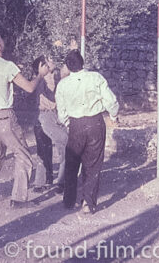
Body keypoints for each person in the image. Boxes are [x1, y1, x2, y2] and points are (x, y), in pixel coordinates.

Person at [0, 33, 50, 208]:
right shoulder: (8, 66)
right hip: (4, 116)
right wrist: (40, 75)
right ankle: (18, 199)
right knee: (23, 155)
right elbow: (30, 88)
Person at [55, 50, 119, 215]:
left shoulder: (62, 84)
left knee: (72, 163)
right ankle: (88, 203)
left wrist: (69, 123)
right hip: (95, 123)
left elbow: (61, 112)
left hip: (76, 125)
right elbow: (111, 100)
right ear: (82, 62)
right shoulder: (95, 78)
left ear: (68, 67)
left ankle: (69, 201)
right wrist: (113, 115)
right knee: (93, 164)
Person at [31, 56, 68, 193]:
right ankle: (57, 181)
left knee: (47, 148)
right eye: (48, 60)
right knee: (62, 142)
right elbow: (53, 95)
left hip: (53, 114)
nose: (52, 60)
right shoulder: (42, 79)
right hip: (45, 115)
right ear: (43, 66)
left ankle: (47, 181)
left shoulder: (53, 76)